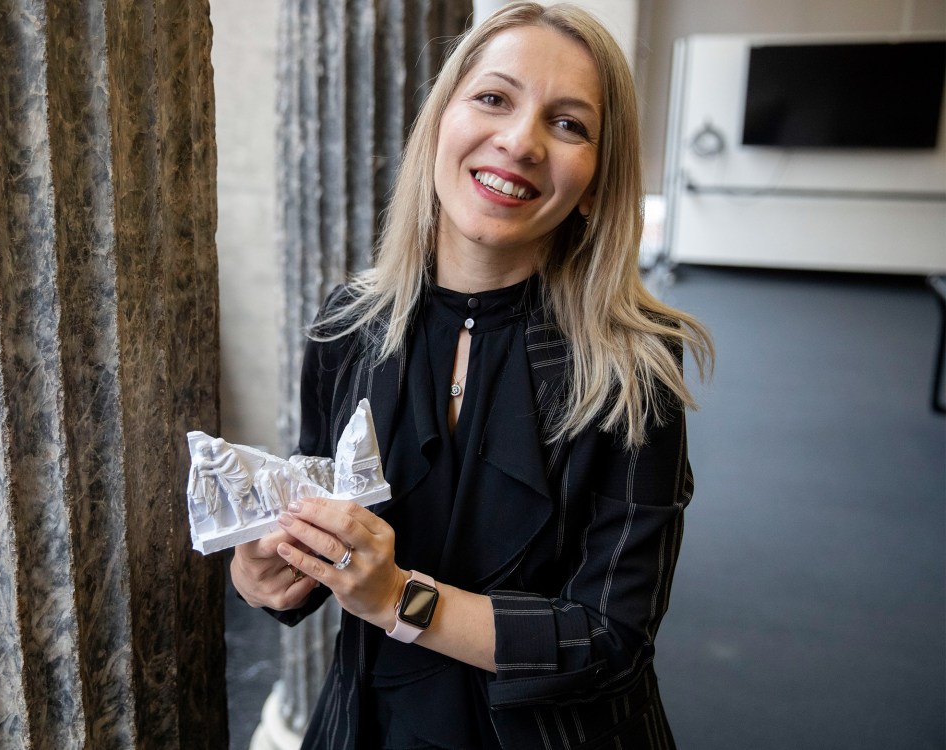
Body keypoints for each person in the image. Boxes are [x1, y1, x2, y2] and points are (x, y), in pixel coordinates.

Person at [231, 3, 714, 748]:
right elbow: (322, 529)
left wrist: (402, 598)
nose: (519, 141)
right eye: (493, 98)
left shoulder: (633, 370)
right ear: (439, 127)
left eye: (568, 124)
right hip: (371, 721)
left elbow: (612, 640)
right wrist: (271, 572)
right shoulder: (347, 325)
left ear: (594, 182)